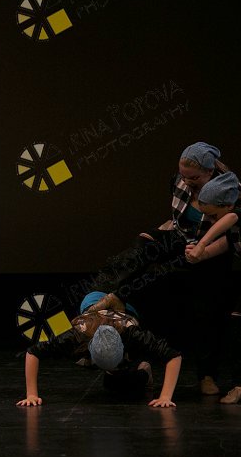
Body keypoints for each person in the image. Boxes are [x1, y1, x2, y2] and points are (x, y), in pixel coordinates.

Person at [86, 142, 235, 395]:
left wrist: (203, 251)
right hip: (183, 239)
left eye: (194, 178)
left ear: (210, 172)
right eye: (184, 177)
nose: (187, 182)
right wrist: (159, 234)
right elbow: (178, 220)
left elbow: (230, 236)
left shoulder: (228, 191)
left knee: (208, 311)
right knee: (142, 246)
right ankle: (109, 300)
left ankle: (207, 375)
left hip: (212, 249)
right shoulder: (180, 180)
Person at [16, 293, 182, 408]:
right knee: (112, 382)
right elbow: (33, 352)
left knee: (117, 386)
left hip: (125, 310)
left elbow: (173, 356)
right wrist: (31, 394)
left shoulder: (132, 333)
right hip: (93, 302)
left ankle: (135, 370)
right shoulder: (76, 336)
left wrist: (165, 397)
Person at [183, 172, 241, 404]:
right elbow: (228, 242)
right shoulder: (230, 218)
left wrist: (203, 243)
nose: (211, 221)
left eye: (213, 215)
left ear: (228, 205)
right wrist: (203, 254)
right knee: (235, 322)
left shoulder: (235, 211)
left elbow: (231, 218)